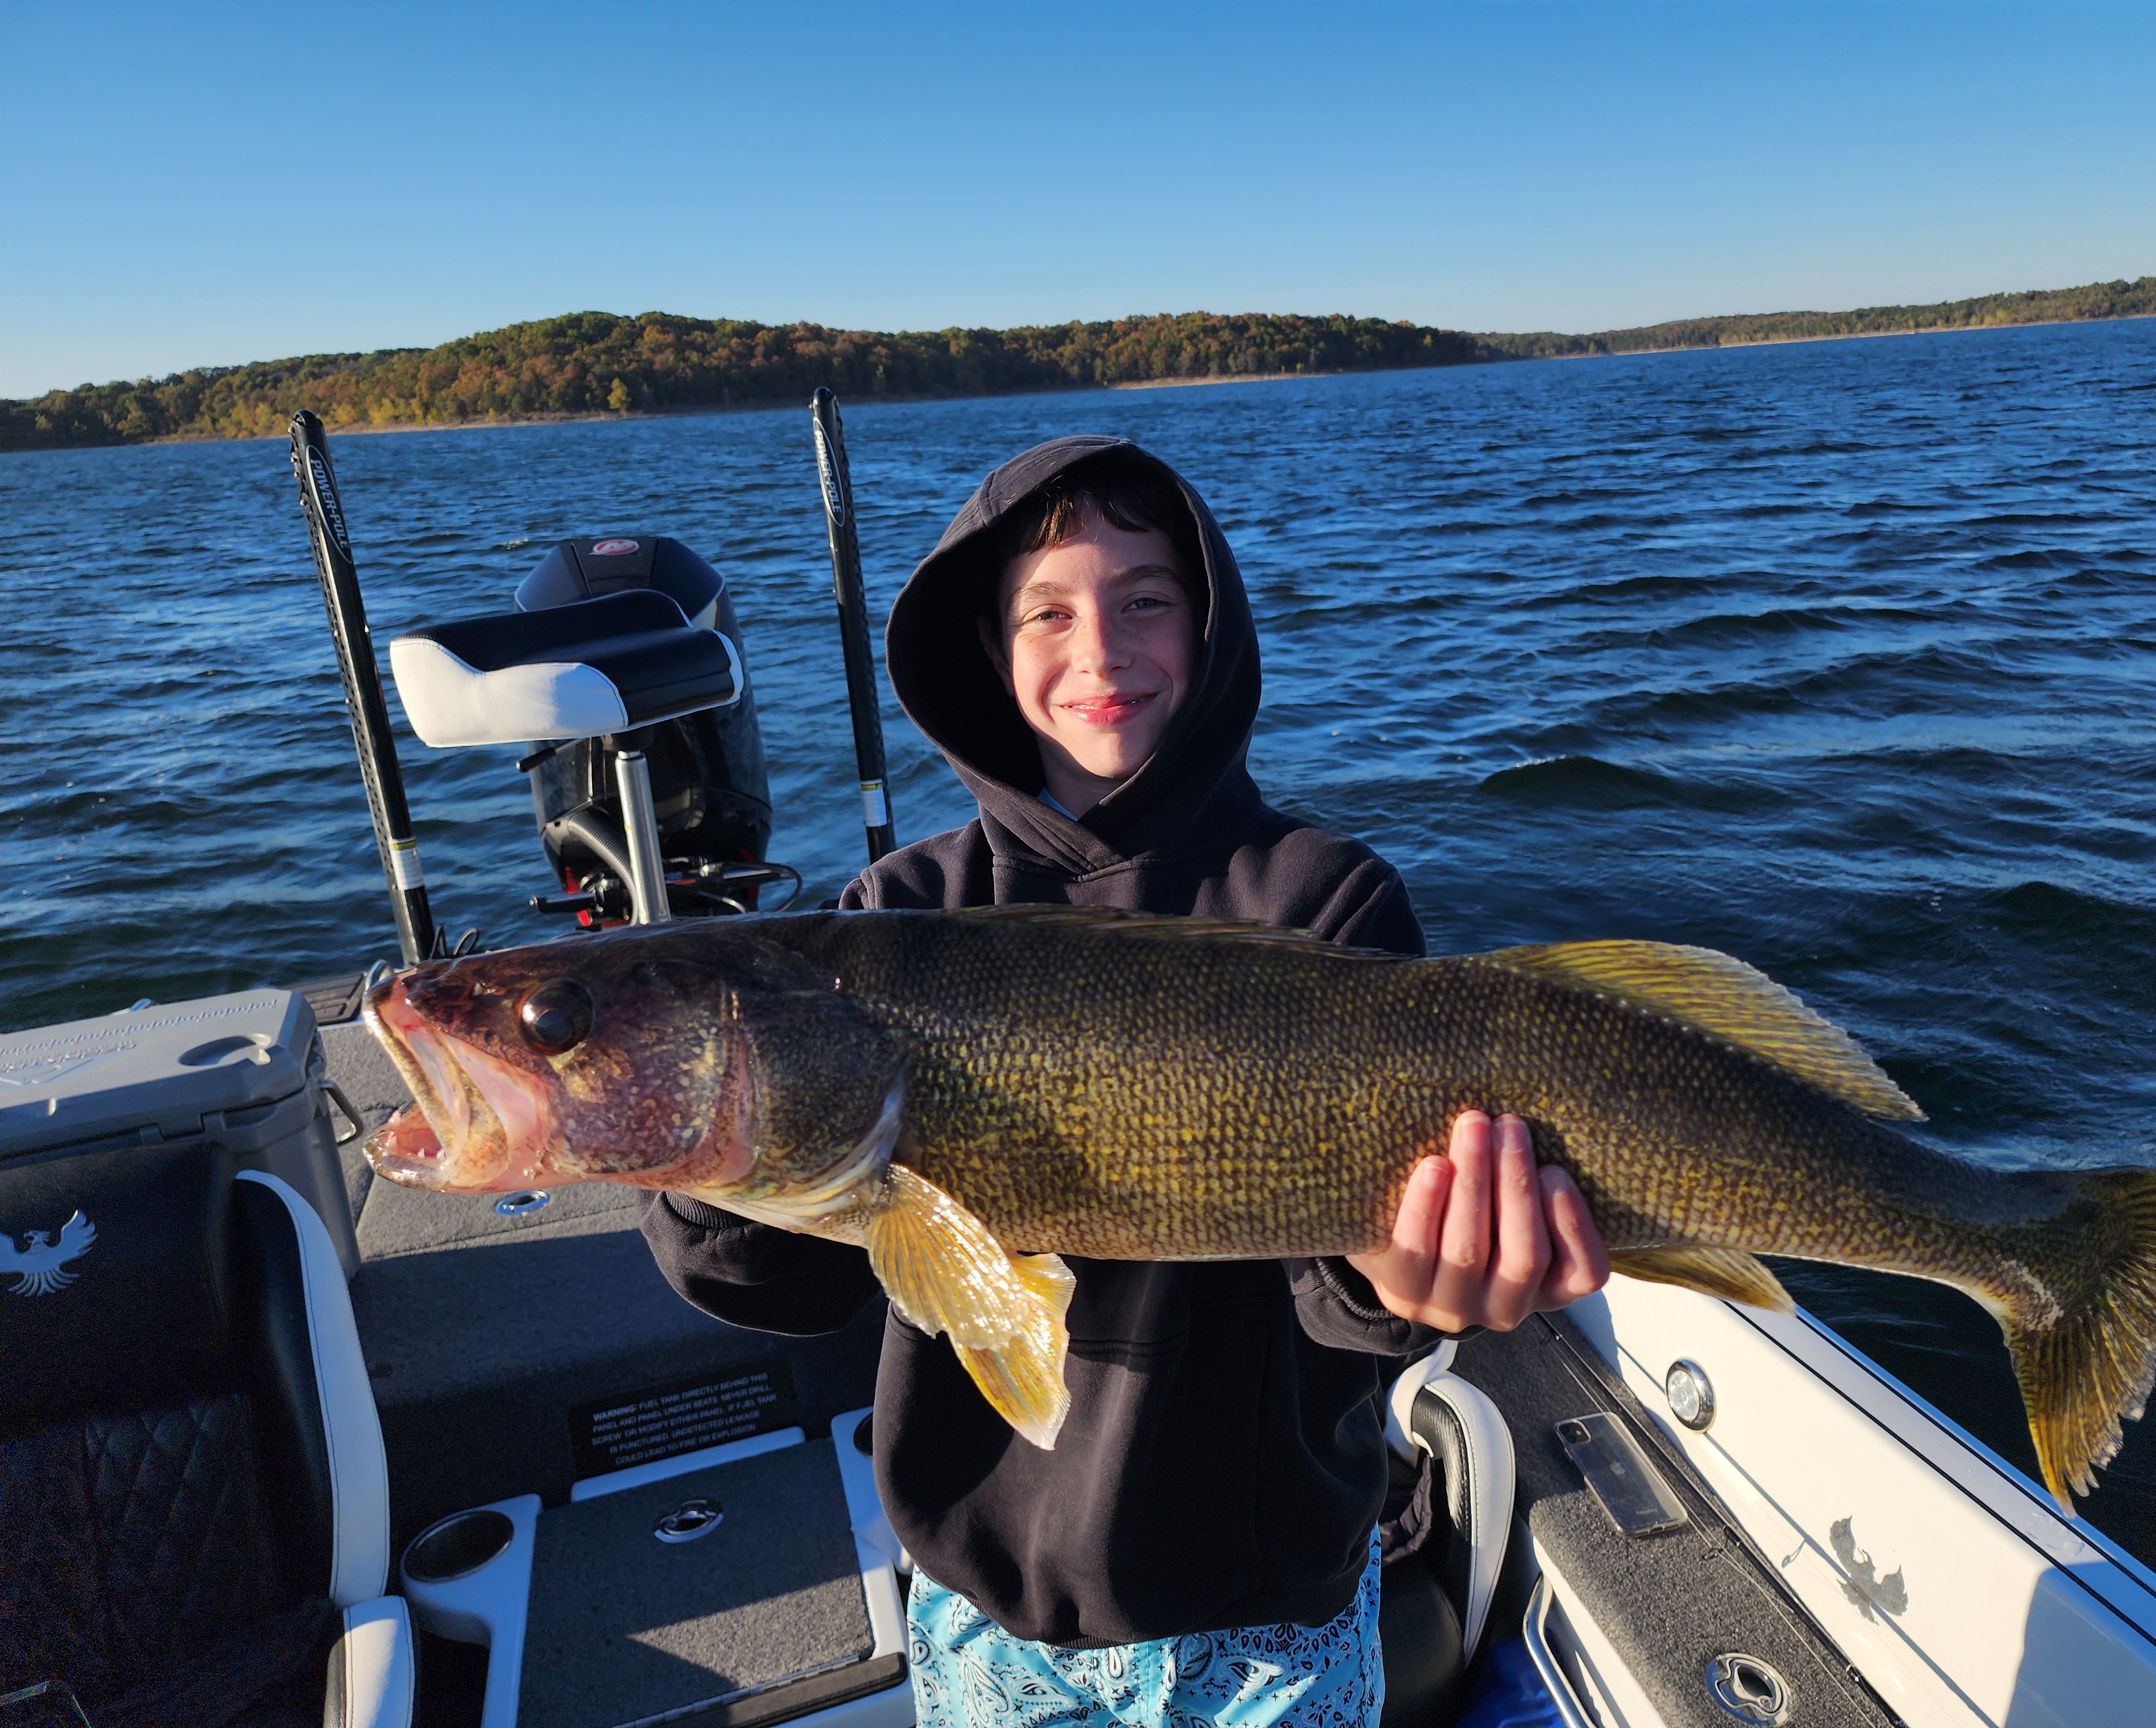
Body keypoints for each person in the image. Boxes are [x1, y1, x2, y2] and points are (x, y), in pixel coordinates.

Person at [642, 435, 1609, 1726]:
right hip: (987, 1607)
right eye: (1046, 611)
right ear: (988, 651)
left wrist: (1402, 1293)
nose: (1099, 652)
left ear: (1208, 626)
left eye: (1144, 599)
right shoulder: (894, 913)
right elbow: (790, 1281)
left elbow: (1354, 1297)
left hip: (1269, 1612)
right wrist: (700, 1158)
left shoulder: (1322, 900)